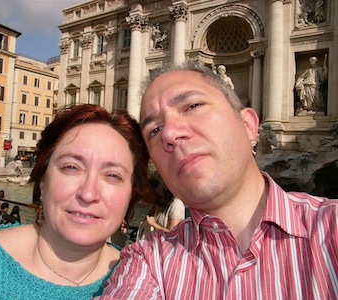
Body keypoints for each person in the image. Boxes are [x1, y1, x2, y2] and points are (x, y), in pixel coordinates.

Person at [97, 60, 338, 298]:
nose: (169, 133)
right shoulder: (146, 260)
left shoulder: (332, 227)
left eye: (192, 106)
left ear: (248, 125)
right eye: (154, 131)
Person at [0, 104, 150, 299]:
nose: (88, 193)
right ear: (42, 180)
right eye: (71, 167)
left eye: (113, 175)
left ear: (131, 194)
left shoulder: (146, 284)